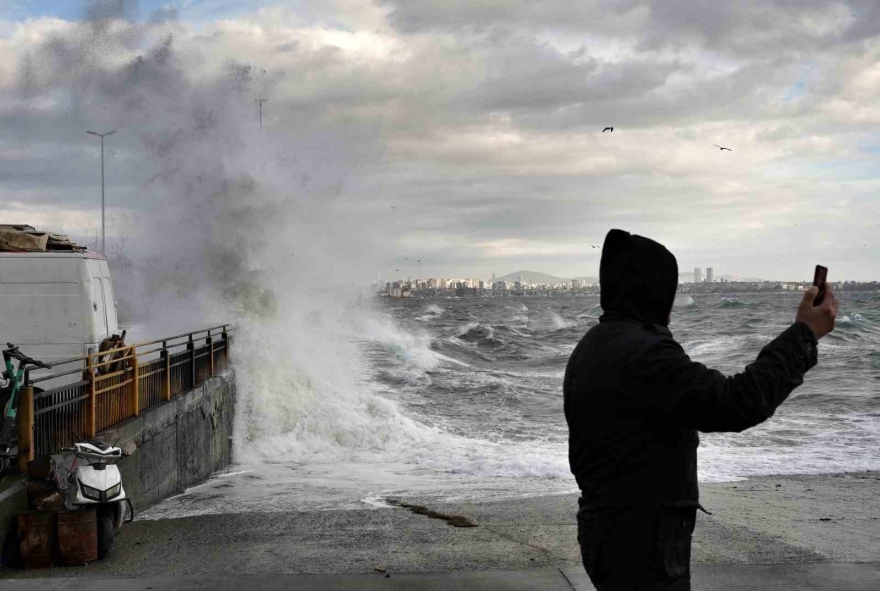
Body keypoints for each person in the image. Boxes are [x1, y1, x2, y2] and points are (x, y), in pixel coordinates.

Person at [563, 229, 838, 591]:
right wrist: (803, 334)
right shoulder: (645, 355)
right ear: (657, 292)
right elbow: (736, 403)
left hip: (607, 528)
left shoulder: (595, 344)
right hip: (639, 541)